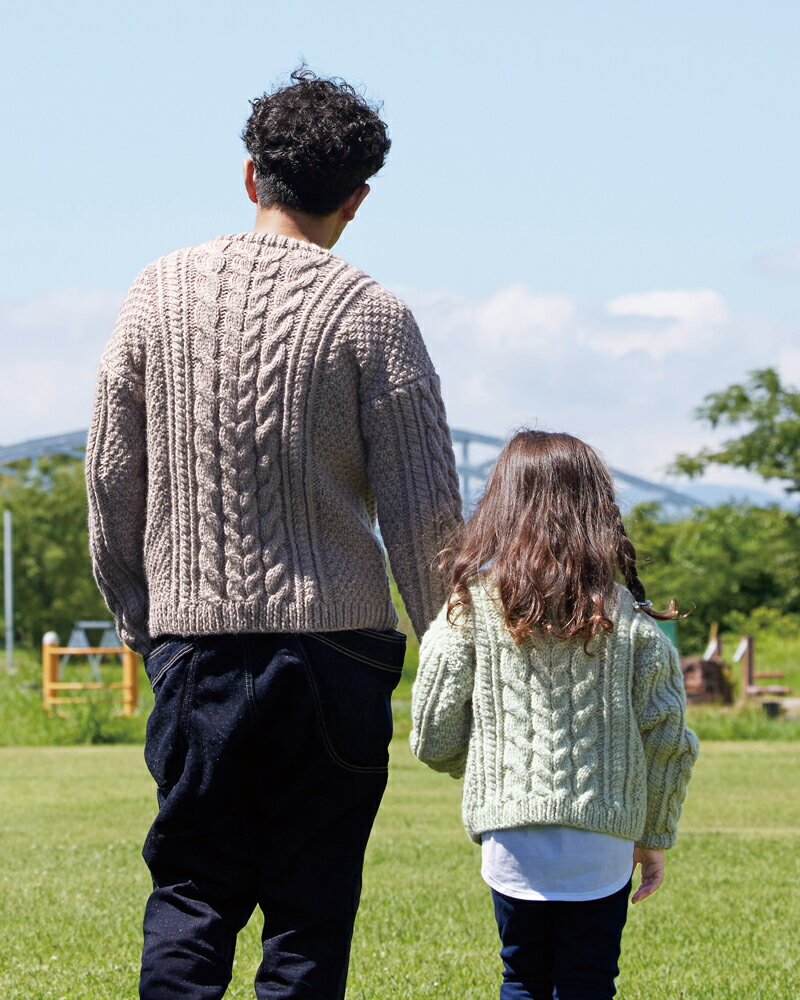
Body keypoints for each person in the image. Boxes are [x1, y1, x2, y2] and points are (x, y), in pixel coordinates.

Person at [85, 68, 462, 1000]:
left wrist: (147, 625)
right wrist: (457, 654)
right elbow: (425, 518)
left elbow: (110, 482)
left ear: (252, 175)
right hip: (334, 656)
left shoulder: (154, 293)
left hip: (194, 644)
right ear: (358, 199)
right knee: (311, 904)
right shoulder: (375, 314)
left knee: (192, 889)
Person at [410, 429, 699, 1000]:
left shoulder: (469, 607)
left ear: (499, 505)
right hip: (604, 836)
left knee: (521, 977)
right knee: (590, 981)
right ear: (598, 510)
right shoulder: (632, 621)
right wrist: (655, 835)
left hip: (512, 835)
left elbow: (431, 732)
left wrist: (494, 759)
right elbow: (668, 739)